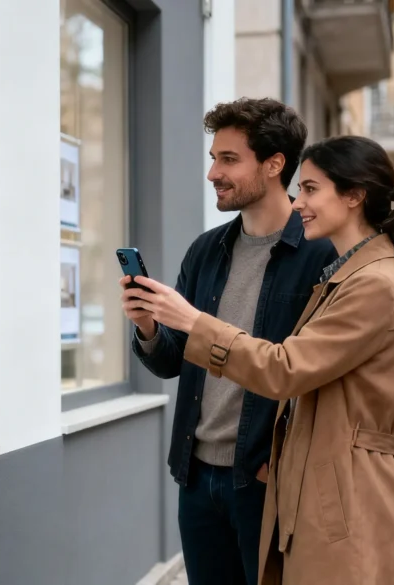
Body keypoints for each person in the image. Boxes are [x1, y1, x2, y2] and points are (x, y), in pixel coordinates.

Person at [126, 135, 394, 584]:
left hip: (347, 496)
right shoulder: (348, 272)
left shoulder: (374, 282)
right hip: (302, 483)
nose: (299, 203)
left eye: (311, 189)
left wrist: (195, 322)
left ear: (354, 196)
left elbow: (285, 369)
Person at [122, 98, 337, 585]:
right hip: (197, 476)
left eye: (229, 159)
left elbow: (317, 373)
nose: (213, 173)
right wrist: (149, 328)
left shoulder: (321, 255)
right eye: (213, 158)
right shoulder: (206, 250)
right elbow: (175, 361)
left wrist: (275, 467)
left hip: (266, 479)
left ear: (274, 164)